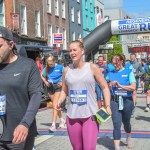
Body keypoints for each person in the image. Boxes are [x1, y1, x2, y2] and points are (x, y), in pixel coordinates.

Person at [55, 39, 112, 150]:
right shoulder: (66, 70)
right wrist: (59, 101)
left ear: (82, 50)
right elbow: (64, 90)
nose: (72, 53)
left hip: (90, 115)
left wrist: (108, 105)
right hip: (72, 116)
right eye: (70, 50)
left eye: (75, 50)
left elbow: (105, 87)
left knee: (89, 148)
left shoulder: (92, 68)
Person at [0, 26, 43, 150]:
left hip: (19, 135)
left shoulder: (28, 66)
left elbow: (36, 95)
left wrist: (25, 123)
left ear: (11, 44)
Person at [107, 54, 136, 150]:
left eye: (116, 63)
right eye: (113, 63)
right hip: (114, 101)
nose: (114, 65)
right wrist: (109, 84)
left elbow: (133, 87)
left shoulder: (128, 72)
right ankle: (117, 147)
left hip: (127, 101)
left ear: (122, 61)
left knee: (126, 122)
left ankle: (128, 137)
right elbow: (105, 87)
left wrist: (121, 86)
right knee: (116, 124)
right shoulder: (110, 73)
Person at [41, 55, 66, 131]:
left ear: (54, 61)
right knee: (56, 106)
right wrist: (45, 81)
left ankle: (53, 125)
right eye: (49, 64)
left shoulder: (60, 67)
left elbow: (66, 75)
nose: (50, 65)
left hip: (58, 86)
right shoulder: (47, 68)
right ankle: (62, 120)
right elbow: (42, 75)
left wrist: (62, 82)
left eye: (51, 64)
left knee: (55, 105)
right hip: (50, 87)